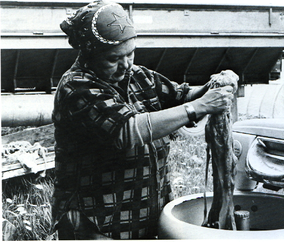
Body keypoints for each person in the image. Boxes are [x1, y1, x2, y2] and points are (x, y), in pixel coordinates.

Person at [51, 0, 237, 239]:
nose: (126, 65)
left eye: (130, 54)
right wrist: (198, 106)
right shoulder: (76, 87)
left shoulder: (139, 76)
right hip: (96, 222)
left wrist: (215, 85)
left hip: (141, 215)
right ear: (89, 54)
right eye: (113, 59)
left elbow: (182, 96)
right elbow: (126, 131)